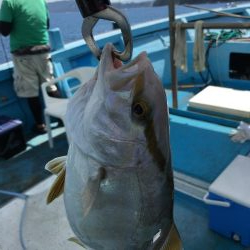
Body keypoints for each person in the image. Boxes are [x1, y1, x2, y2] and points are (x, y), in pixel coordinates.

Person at [0, 0, 56, 134]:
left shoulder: (9, 2)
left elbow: (5, 31)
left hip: (24, 55)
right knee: (50, 86)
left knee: (31, 92)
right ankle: (65, 116)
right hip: (43, 51)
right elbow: (46, 25)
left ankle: (40, 125)